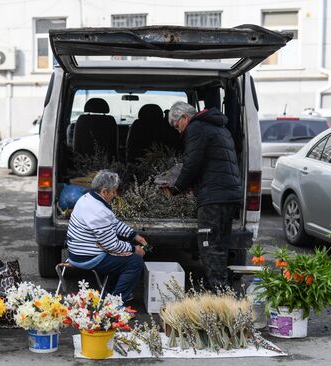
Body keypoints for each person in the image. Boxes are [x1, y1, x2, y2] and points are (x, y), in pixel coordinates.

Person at [164, 101, 243, 290]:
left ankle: (218, 289)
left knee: (208, 244)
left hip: (214, 196)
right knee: (221, 242)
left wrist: (176, 188)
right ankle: (221, 285)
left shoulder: (196, 128)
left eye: (177, 126)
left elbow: (192, 164)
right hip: (229, 193)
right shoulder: (218, 127)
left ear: (184, 118)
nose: (178, 131)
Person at [66, 170, 147, 302]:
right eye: (113, 192)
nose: (115, 195)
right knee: (135, 262)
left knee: (122, 251)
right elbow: (111, 245)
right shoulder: (98, 211)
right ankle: (116, 302)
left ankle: (109, 290)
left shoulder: (87, 198)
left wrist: (133, 235)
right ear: (104, 191)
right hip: (87, 257)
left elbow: (112, 223)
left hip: (77, 251)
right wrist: (134, 249)